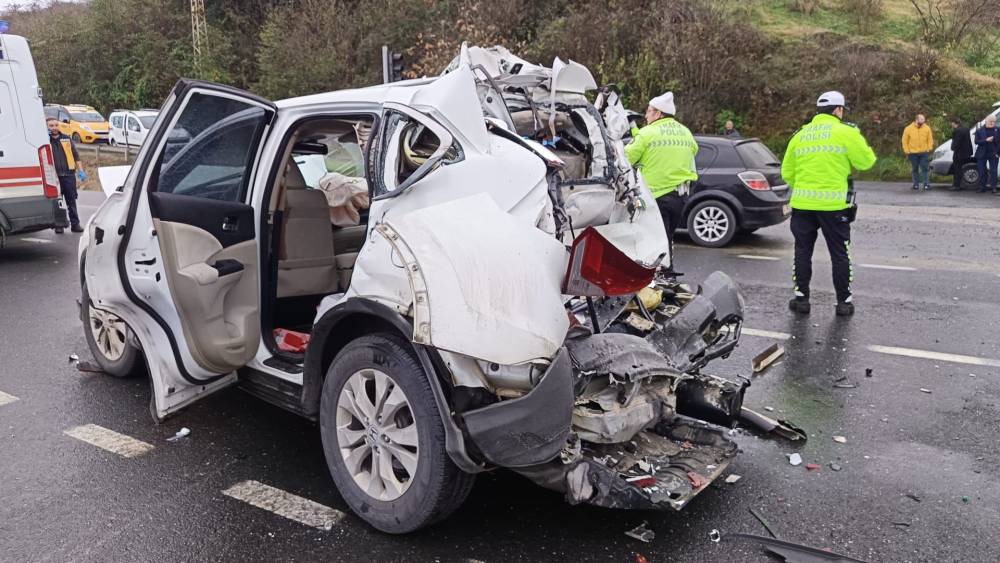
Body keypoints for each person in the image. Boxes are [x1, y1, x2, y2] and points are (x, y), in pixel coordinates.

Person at [781, 91, 877, 317]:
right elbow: (866, 162)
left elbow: (786, 172)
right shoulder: (846, 132)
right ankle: (844, 302)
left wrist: (805, 185)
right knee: (839, 253)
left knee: (802, 251)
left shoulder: (800, 135)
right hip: (834, 207)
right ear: (838, 110)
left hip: (803, 205)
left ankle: (801, 298)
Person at [625, 91, 698, 266]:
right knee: (667, 237)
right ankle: (666, 275)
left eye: (649, 111)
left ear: (658, 113)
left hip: (656, 197)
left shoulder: (647, 133)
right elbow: (693, 149)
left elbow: (626, 158)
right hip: (680, 196)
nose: (646, 114)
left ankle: (662, 278)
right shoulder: (685, 132)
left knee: (656, 242)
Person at [46, 117, 83, 233]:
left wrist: (81, 171)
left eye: (56, 125)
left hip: (68, 175)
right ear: (47, 126)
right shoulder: (45, 141)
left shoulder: (66, 139)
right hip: (54, 176)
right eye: (51, 126)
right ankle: (59, 225)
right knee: (58, 202)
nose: (54, 128)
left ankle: (75, 224)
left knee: (71, 200)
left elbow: (76, 156)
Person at [902, 113, 934, 191]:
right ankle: (915, 185)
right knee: (915, 169)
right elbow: (904, 140)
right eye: (922, 119)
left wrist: (929, 148)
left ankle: (926, 184)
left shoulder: (927, 128)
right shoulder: (908, 128)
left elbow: (930, 139)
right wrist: (907, 151)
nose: (924, 120)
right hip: (912, 153)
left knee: (925, 169)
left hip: (924, 152)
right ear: (916, 120)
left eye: (924, 119)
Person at [973, 115, 999, 194]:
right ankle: (982, 187)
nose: (992, 123)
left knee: (993, 171)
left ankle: (993, 187)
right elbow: (976, 142)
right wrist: (986, 140)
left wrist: (998, 153)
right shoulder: (979, 130)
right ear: (986, 121)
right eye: (991, 121)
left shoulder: (998, 130)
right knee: (982, 171)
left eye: (994, 121)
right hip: (982, 154)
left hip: (994, 153)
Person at [948, 118, 973, 191]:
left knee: (957, 169)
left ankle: (956, 185)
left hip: (958, 153)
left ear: (955, 123)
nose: (951, 124)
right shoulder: (966, 129)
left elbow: (956, 142)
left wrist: (953, 148)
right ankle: (961, 184)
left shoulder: (957, 131)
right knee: (961, 169)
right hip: (965, 153)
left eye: (951, 123)